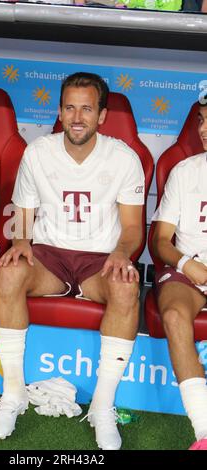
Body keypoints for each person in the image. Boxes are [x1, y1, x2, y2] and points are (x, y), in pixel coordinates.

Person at [0, 72, 145, 450]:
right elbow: (23, 213)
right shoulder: (38, 151)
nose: (77, 117)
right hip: (48, 257)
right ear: (59, 111)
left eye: (87, 109)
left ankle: (103, 408)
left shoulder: (124, 158)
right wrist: (21, 241)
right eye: (70, 108)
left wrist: (123, 253)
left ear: (102, 115)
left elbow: (132, 227)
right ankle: (13, 395)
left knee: (126, 285)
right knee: (8, 273)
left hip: (99, 261)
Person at [152, 99, 207, 450]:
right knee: (172, 314)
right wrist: (188, 264)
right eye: (201, 121)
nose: (203, 130)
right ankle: (204, 431)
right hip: (191, 269)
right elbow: (159, 242)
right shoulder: (185, 171)